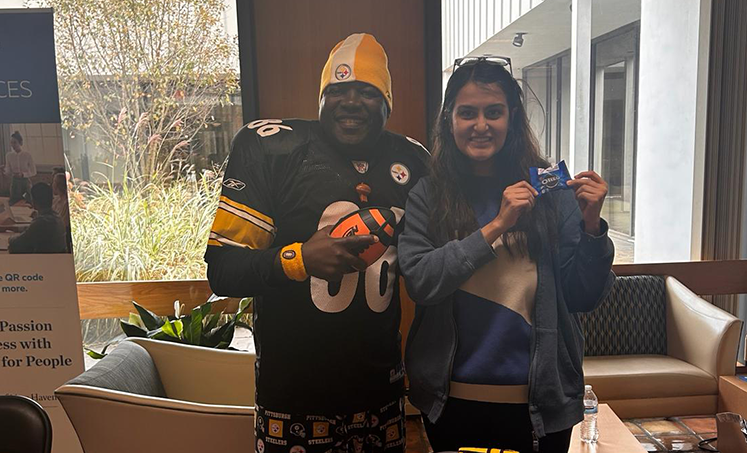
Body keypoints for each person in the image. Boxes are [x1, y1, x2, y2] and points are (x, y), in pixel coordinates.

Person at [204, 33, 428, 453]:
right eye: (337, 90)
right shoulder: (271, 147)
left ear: (387, 102)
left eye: (367, 91)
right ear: (321, 98)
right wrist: (299, 259)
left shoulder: (414, 160)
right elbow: (223, 270)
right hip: (295, 396)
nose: (351, 101)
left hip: (379, 393)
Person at [397, 57, 615, 453]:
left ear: (512, 118)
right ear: (449, 120)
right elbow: (421, 282)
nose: (480, 125)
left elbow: (583, 296)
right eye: (467, 113)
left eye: (493, 112)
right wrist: (497, 225)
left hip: (540, 404)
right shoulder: (428, 195)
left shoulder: (552, 193)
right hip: (451, 401)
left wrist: (591, 227)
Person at [8, 182, 67, 254]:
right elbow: (31, 230)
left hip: (43, 259)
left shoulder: (41, 222)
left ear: (34, 201)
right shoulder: (57, 217)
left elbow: (16, 243)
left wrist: (9, 238)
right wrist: (14, 228)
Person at [3, 131, 36, 205]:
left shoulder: (27, 155)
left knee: (28, 202)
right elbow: (8, 171)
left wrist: (23, 174)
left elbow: (33, 171)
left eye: (15, 142)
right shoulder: (9, 156)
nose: (13, 145)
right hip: (15, 183)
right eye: (11, 143)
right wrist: (5, 171)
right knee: (13, 203)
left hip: (25, 183)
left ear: (20, 143)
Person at [51, 172, 72, 252]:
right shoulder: (56, 200)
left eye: (54, 182)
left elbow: (64, 223)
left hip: (60, 235)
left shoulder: (67, 203)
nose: (52, 185)